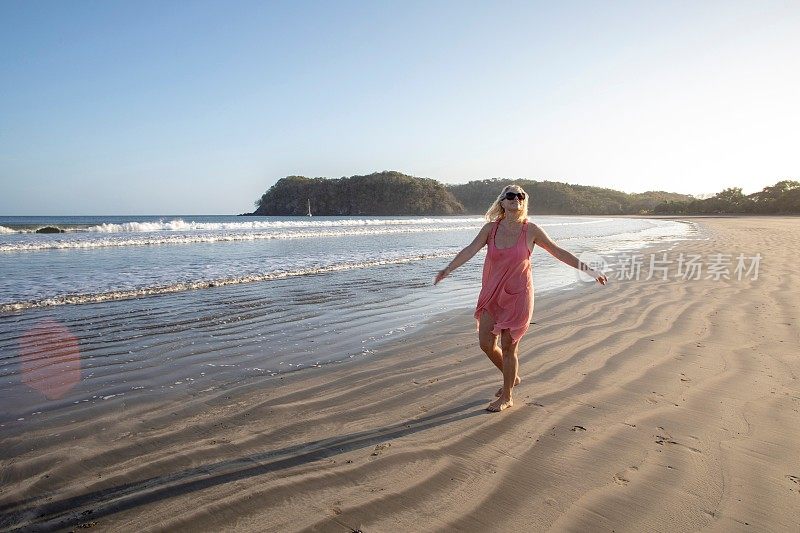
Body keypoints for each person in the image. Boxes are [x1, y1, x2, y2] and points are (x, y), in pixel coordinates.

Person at [434, 184, 608, 412]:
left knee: (508, 347)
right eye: (511, 195)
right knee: (486, 343)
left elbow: (558, 252)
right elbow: (470, 249)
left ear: (524, 201)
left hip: (519, 295)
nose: (516, 198)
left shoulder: (531, 230)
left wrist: (589, 269)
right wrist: (448, 269)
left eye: (520, 195)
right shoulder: (490, 229)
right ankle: (512, 376)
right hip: (492, 294)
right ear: (502, 203)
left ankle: (507, 396)